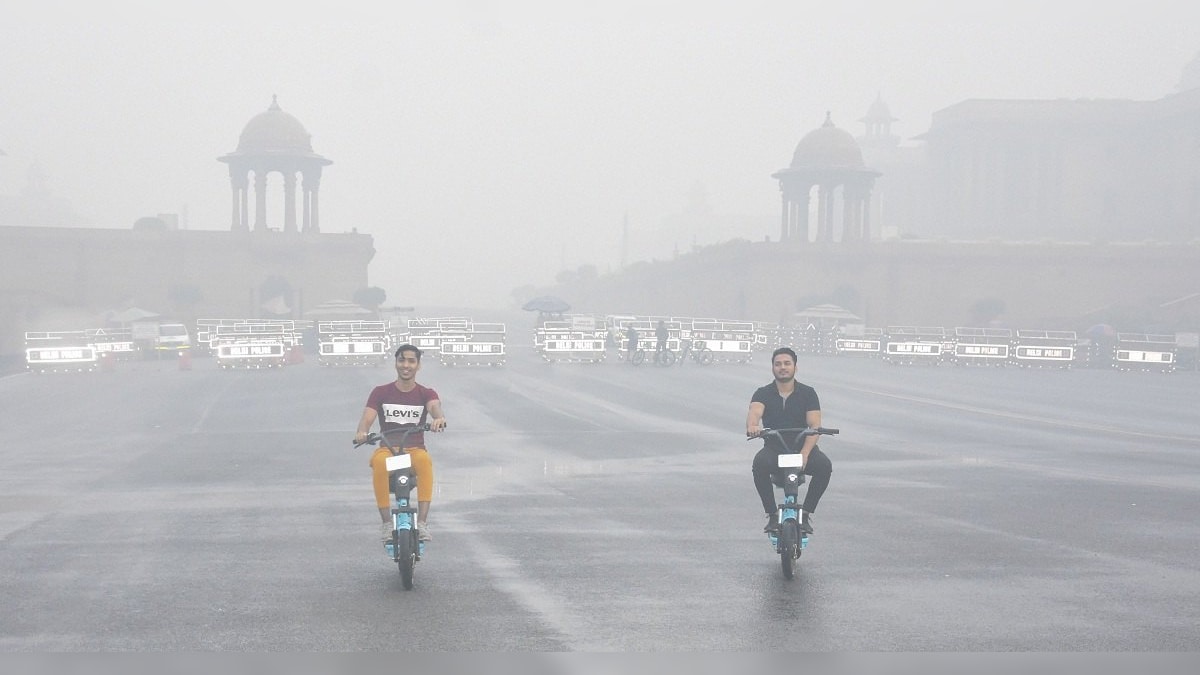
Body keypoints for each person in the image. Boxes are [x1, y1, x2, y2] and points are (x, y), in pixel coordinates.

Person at [354, 344, 447, 544]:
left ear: (418, 365)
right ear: (396, 363)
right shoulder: (380, 392)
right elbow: (367, 418)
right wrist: (362, 432)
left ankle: (422, 523)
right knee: (379, 463)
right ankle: (387, 523)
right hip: (388, 451)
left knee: (424, 461)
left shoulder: (425, 393)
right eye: (402, 360)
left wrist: (438, 419)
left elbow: (435, 408)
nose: (406, 365)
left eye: (411, 361)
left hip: (414, 452)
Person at [745, 346, 832, 535]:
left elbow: (814, 426)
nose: (782, 367)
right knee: (759, 465)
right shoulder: (763, 393)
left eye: (787, 363)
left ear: (795, 367)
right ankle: (772, 514)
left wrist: (805, 454)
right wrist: (753, 426)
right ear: (772, 368)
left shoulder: (808, 393)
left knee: (824, 466)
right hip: (775, 447)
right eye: (778, 364)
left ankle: (806, 513)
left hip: (803, 446)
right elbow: (755, 413)